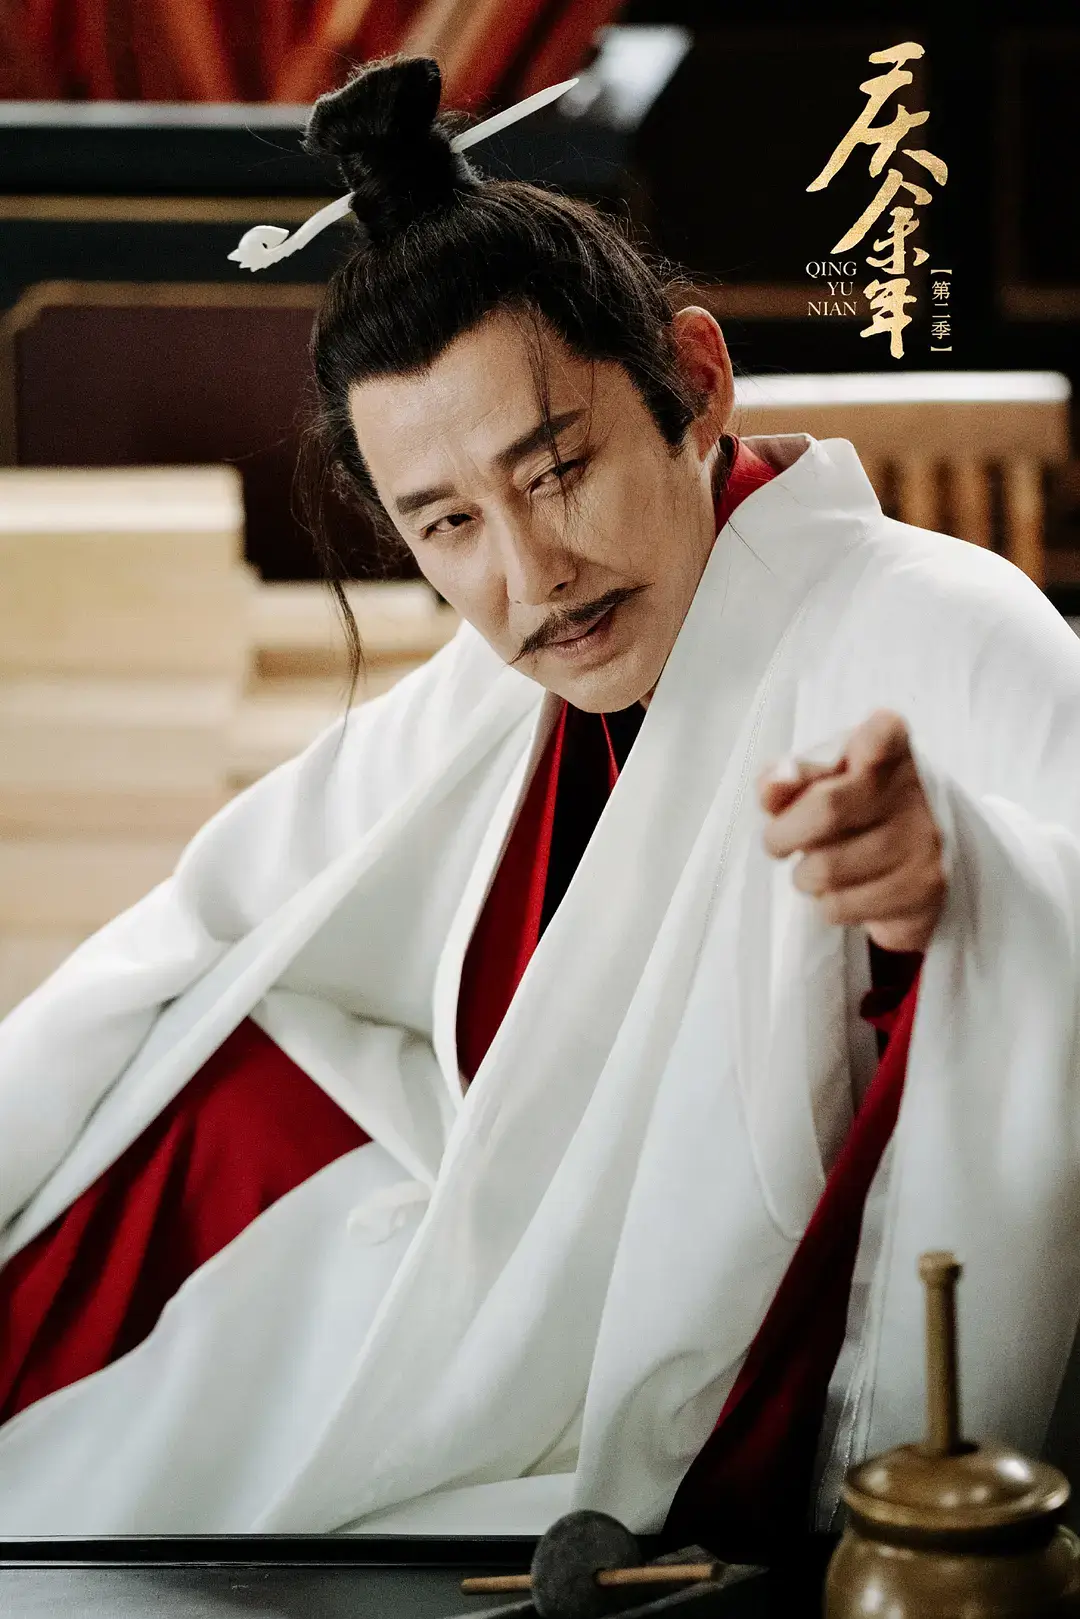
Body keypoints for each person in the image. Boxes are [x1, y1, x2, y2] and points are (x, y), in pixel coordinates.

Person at [2, 53, 1080, 1558]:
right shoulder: (495, 684)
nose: (528, 578)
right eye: (448, 523)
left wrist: (956, 884)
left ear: (694, 384)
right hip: (526, 1289)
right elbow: (210, 924)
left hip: (745, 1370)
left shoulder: (947, 626)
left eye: (558, 470)